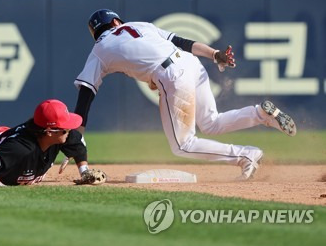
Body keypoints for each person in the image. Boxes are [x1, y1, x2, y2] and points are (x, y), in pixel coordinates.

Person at [73, 9, 297, 181]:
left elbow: (86, 92)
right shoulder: (140, 26)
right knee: (211, 123)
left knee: (182, 145)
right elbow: (183, 42)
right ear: (115, 22)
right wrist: (215, 54)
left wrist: (77, 135)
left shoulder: (100, 49)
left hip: (171, 75)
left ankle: (246, 155)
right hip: (190, 62)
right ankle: (261, 114)